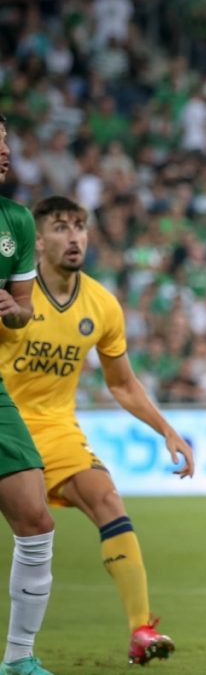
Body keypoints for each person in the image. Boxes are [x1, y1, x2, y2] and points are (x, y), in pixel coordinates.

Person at [0, 196, 195, 666]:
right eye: (61, 227)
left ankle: (141, 629)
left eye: (80, 227)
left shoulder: (102, 304)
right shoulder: (14, 293)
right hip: (7, 420)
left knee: (107, 499)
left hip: (56, 429)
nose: (74, 237)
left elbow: (122, 384)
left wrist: (166, 429)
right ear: (36, 240)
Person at [0, 114, 56, 675]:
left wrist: (13, 311)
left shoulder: (14, 220)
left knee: (36, 519)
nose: (5, 152)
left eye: (5, 142)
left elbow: (23, 313)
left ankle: (18, 660)